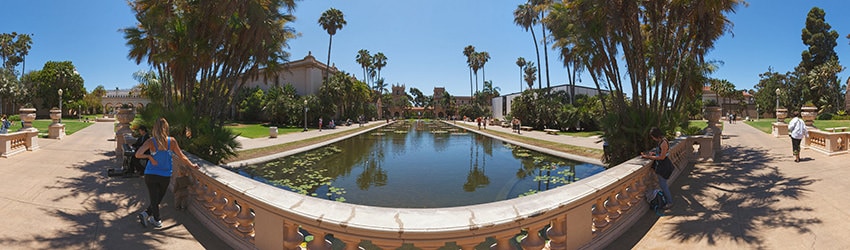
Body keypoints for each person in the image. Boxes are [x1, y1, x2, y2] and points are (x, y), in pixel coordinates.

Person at [135, 117, 199, 228]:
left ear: (155, 128)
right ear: (166, 128)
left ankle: (146, 214)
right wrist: (192, 165)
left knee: (156, 199)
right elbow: (182, 156)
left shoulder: (151, 141)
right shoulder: (171, 141)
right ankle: (156, 219)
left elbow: (138, 154)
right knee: (157, 198)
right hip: (164, 175)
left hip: (151, 174)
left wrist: (149, 156)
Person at [641, 127, 673, 209]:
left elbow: (662, 157)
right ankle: (667, 200)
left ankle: (669, 202)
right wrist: (653, 153)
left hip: (663, 166)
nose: (652, 138)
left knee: (663, 185)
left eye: (652, 137)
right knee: (663, 185)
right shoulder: (661, 141)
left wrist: (649, 157)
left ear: (655, 136)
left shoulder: (663, 143)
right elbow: (661, 153)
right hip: (662, 165)